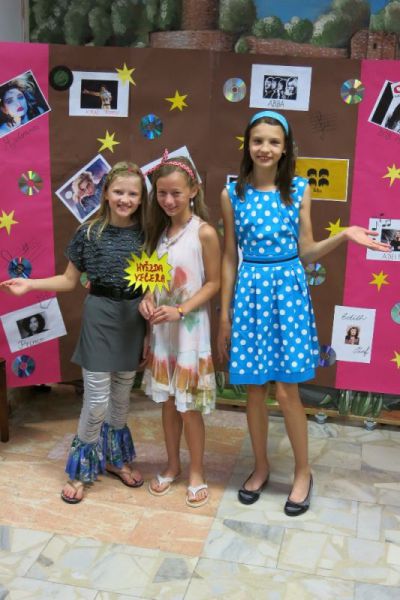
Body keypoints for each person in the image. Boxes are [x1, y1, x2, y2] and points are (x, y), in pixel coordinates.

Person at [217, 110, 391, 516]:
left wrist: (343, 235)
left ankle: (302, 472)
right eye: (258, 140)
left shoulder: (297, 189)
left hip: (289, 293)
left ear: (285, 149)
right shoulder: (232, 194)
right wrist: (224, 314)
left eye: (273, 142)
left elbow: (307, 251)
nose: (265, 148)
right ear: (248, 145)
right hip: (250, 294)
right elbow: (228, 257)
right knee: (254, 390)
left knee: (287, 391)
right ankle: (261, 467)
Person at [1, 161, 149, 504]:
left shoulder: (148, 235)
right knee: (96, 402)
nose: (125, 199)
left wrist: (149, 334)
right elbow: (69, 281)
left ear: (142, 198)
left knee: (121, 397)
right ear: (105, 193)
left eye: (133, 194)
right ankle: (80, 471)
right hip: (100, 316)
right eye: (118, 191)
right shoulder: (89, 233)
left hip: (133, 320)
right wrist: (30, 284)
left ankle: (114, 459)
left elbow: (151, 289)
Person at [139, 151, 220, 508]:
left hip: (189, 332)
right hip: (162, 334)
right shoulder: (157, 233)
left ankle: (197, 472)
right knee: (169, 403)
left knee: (189, 407)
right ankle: (172, 465)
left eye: (176, 193)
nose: (169, 200)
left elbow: (214, 282)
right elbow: (150, 280)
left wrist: (181, 309)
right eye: (162, 193)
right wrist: (146, 299)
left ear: (193, 191)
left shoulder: (204, 232)